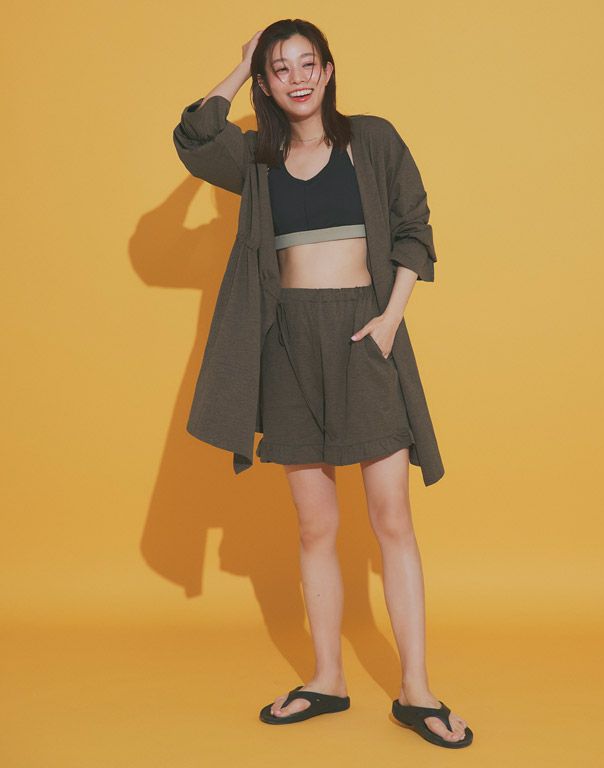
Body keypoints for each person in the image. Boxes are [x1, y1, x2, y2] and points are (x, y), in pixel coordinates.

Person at [173, 19, 472, 749]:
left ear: (329, 70)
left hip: (363, 334)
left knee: (392, 518)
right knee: (314, 525)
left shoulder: (372, 139)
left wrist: (390, 321)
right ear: (267, 84)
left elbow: (414, 228)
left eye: (308, 63)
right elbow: (194, 136)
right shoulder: (257, 157)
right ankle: (327, 678)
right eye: (279, 68)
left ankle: (417, 690)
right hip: (288, 343)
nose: (297, 78)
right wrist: (239, 66)